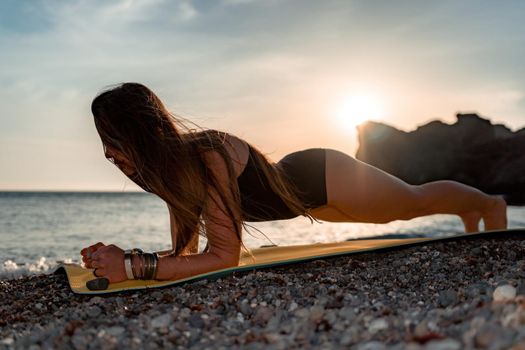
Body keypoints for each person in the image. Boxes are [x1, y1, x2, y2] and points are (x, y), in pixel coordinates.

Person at [81, 83, 508, 283]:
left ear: (138, 132)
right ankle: (469, 209)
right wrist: (119, 259)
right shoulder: (157, 171)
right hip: (307, 201)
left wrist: (135, 268)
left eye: (113, 141)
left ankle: (489, 204)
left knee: (410, 203)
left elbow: (224, 257)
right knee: (396, 213)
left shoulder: (207, 154)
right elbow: (188, 253)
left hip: (324, 176)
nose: (107, 154)